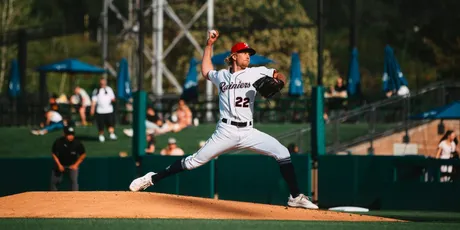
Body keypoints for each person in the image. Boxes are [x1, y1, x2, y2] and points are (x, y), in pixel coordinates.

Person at [129, 30, 318, 209]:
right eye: (244, 52)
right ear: (234, 56)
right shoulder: (222, 76)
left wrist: (281, 81)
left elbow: (279, 74)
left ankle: (295, 197)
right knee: (192, 162)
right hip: (226, 131)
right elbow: (205, 71)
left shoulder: (256, 72)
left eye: (249, 53)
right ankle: (151, 178)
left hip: (248, 131)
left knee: (282, 152)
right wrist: (208, 45)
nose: (248, 56)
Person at [50, 126, 87, 191]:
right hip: (60, 164)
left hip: (72, 165)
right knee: (54, 182)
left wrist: (76, 165)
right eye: (69, 134)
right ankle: (53, 197)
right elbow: (54, 154)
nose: (71, 136)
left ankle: (74, 197)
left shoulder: (77, 143)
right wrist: (59, 165)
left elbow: (83, 154)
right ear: (64, 134)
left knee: (74, 182)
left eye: (72, 134)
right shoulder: (59, 142)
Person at [91, 78, 117, 142]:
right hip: (100, 111)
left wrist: (113, 100)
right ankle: (101, 136)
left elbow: (113, 98)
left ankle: (112, 134)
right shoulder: (96, 90)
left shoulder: (109, 89)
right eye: (101, 83)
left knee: (110, 124)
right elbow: (94, 101)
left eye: (104, 83)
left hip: (109, 110)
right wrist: (92, 109)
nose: (102, 84)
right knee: (101, 125)